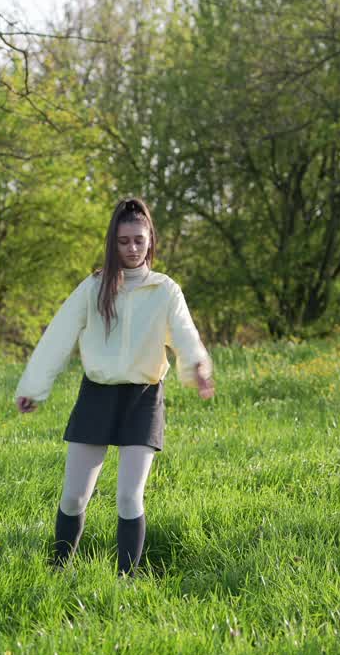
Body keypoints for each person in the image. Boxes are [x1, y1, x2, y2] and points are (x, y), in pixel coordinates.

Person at [15, 197, 215, 576]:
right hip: (97, 396)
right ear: (112, 243)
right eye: (123, 241)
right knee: (74, 497)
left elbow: (186, 336)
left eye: (139, 240)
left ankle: (125, 581)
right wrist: (33, 388)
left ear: (150, 239)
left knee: (128, 496)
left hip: (143, 399)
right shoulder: (93, 288)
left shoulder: (165, 290)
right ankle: (57, 570)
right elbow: (57, 338)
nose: (132, 249)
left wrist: (198, 368)